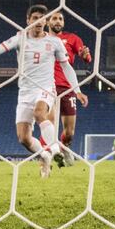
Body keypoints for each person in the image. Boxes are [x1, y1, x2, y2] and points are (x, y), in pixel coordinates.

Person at [0, 5, 88, 178]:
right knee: (24, 138)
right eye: (34, 18)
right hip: (25, 92)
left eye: (41, 18)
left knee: (39, 113)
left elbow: (67, 67)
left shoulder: (54, 42)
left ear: (45, 21)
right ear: (28, 20)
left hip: (46, 88)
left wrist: (77, 90)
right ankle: (44, 154)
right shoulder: (20, 38)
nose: (38, 22)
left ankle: (55, 150)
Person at [46, 11, 91, 166]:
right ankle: (47, 157)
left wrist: (85, 54)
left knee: (69, 132)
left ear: (63, 23)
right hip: (47, 86)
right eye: (54, 18)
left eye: (60, 19)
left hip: (67, 88)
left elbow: (85, 57)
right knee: (49, 124)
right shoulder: (42, 39)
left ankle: (64, 147)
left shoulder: (72, 38)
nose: (58, 21)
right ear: (47, 22)